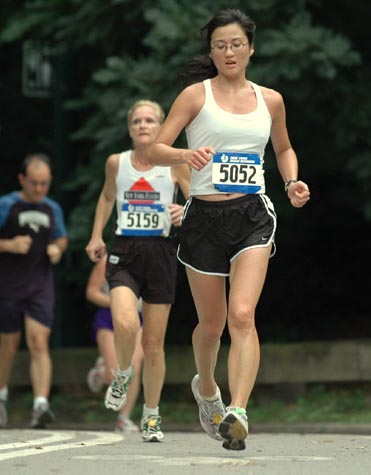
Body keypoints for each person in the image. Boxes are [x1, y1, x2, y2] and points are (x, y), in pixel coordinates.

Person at [147, 8, 310, 451]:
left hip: (253, 215)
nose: (229, 51)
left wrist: (293, 180)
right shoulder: (194, 97)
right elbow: (157, 148)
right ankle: (206, 389)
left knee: (242, 315)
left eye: (236, 43)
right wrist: (185, 157)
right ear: (212, 52)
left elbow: (284, 147)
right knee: (211, 324)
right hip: (203, 219)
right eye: (220, 45)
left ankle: (237, 410)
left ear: (251, 48)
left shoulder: (270, 99)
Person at [85, 99, 190, 442]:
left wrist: (183, 212)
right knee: (126, 322)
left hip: (160, 252)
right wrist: (96, 234)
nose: (143, 125)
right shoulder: (117, 163)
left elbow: (197, 202)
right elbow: (106, 198)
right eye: (137, 121)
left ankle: (152, 416)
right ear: (130, 128)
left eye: (150, 120)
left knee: (155, 344)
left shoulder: (175, 163)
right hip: (124, 250)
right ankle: (123, 373)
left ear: (160, 127)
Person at [0, 153, 68, 429]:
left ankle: (41, 405)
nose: (39, 189)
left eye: (44, 184)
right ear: (22, 179)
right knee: (9, 344)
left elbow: (61, 237)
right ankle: (1, 398)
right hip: (9, 284)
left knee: (39, 340)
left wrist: (57, 248)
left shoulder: (52, 208)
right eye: (34, 183)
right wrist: (9, 245)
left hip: (40, 284)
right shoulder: (6, 205)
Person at [85, 258, 144, 433]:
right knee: (114, 376)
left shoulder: (150, 257)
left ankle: (123, 418)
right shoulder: (107, 261)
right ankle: (102, 372)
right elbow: (92, 291)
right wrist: (119, 303)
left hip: (138, 318)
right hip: (109, 318)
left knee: (135, 366)